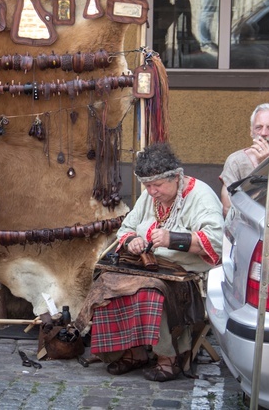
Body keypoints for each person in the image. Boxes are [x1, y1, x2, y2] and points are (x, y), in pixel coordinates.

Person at [75, 142, 223, 382]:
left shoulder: (200, 196)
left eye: (157, 185)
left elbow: (216, 242)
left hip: (183, 271)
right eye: (147, 185)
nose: (152, 191)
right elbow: (126, 228)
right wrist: (132, 240)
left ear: (176, 177)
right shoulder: (149, 196)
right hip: (146, 265)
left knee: (150, 292)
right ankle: (133, 352)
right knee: (108, 285)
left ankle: (169, 358)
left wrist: (173, 239)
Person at [219, 103, 269, 217]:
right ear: (251, 131)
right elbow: (228, 208)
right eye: (258, 127)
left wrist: (266, 164)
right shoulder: (236, 160)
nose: (263, 133)